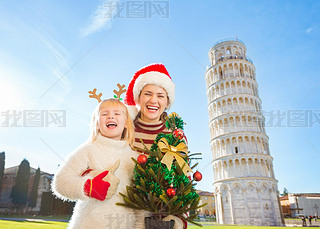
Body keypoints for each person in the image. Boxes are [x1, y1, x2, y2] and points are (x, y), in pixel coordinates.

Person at [52, 98, 137, 229]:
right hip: (89, 223)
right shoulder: (88, 149)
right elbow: (61, 181)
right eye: (104, 114)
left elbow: (141, 199)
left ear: (126, 122)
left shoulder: (134, 156)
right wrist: (88, 187)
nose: (110, 116)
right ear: (96, 123)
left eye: (117, 113)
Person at [125, 63, 188, 229]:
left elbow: (183, 180)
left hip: (162, 216)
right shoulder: (123, 129)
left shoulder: (175, 136)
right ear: (138, 97)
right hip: (123, 212)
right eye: (148, 94)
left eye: (160, 95)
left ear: (167, 102)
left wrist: (179, 219)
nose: (154, 100)